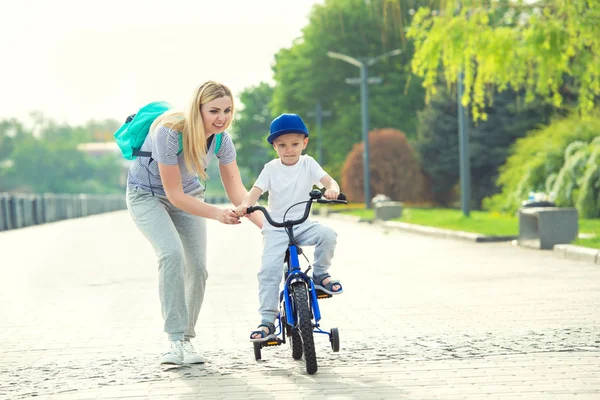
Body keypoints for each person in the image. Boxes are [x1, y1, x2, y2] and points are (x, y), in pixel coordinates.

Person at [125, 80, 262, 365]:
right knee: (172, 254)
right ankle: (174, 341)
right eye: (213, 110)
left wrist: (268, 227)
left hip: (189, 196)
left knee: (198, 268)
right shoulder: (169, 133)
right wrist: (217, 214)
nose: (221, 118)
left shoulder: (223, 140)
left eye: (227, 110)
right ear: (197, 109)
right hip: (146, 195)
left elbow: (238, 192)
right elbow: (173, 195)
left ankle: (187, 341)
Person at [234, 113, 343, 342]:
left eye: (295, 144)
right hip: (275, 228)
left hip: (303, 224)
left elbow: (329, 181)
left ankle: (320, 275)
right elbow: (255, 192)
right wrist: (245, 205)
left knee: (328, 234)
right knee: (268, 271)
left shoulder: (308, 163)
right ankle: (267, 321)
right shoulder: (271, 169)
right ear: (274, 146)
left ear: (304, 143)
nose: (289, 150)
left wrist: (331, 189)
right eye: (282, 145)